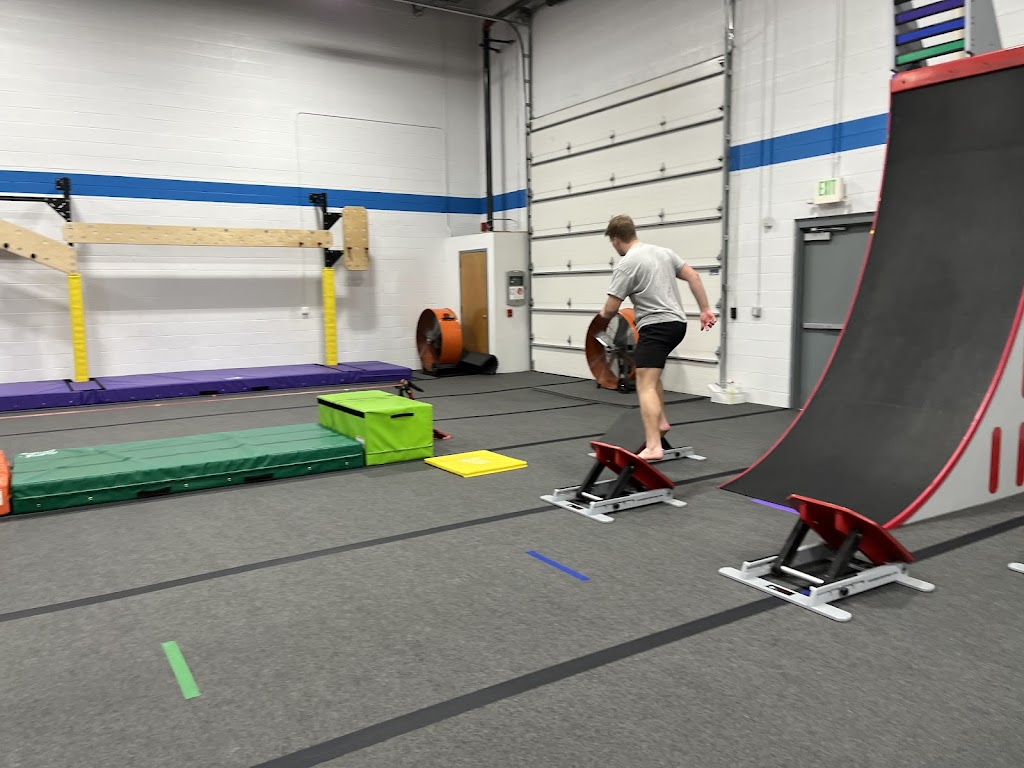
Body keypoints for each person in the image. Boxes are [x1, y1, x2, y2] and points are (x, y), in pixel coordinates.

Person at [593, 214, 716, 461]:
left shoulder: (627, 264)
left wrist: (601, 314)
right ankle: (661, 423)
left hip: (656, 326)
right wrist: (705, 309)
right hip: (677, 324)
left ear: (615, 240)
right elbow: (694, 276)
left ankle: (653, 446)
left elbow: (611, 309)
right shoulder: (663, 252)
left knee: (644, 384)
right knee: (650, 375)